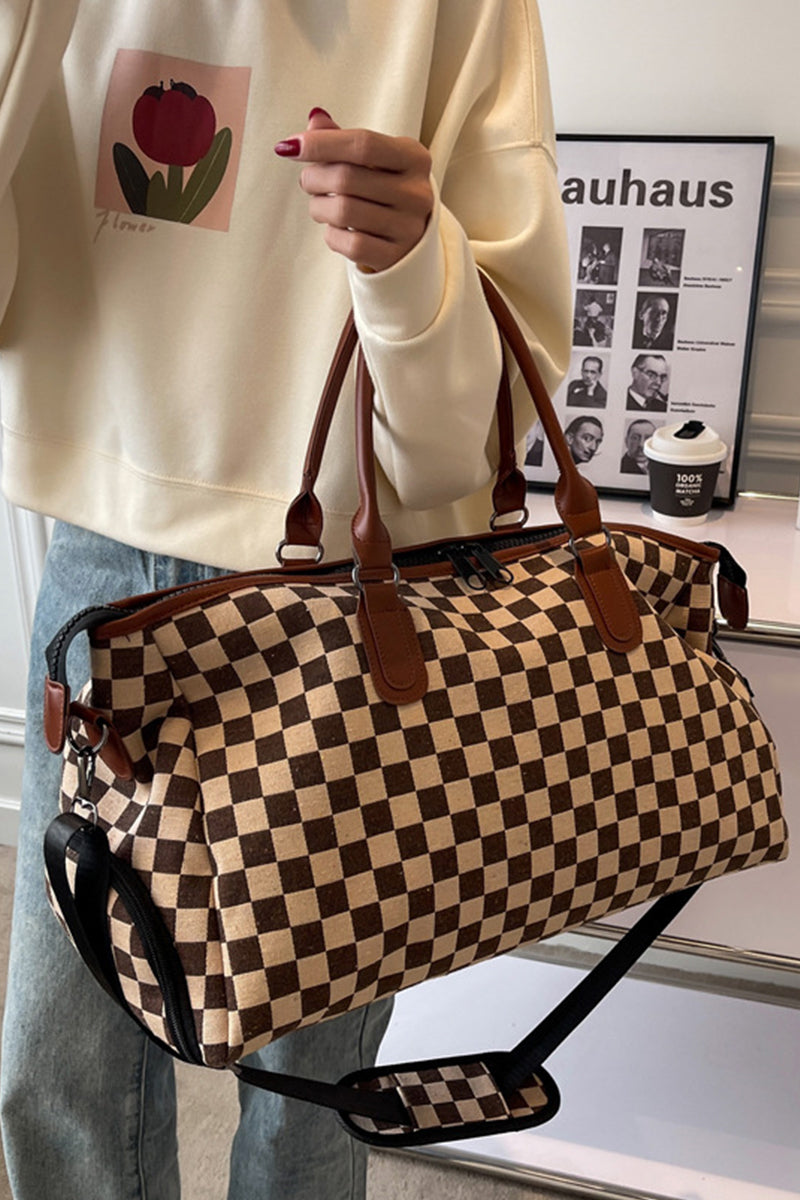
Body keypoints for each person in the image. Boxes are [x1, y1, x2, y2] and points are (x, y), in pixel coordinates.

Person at [0, 3, 571, 1198]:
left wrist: (410, 266)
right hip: (103, 563)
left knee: (307, 1094)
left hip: (347, 605)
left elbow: (488, 430)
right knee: (58, 1072)